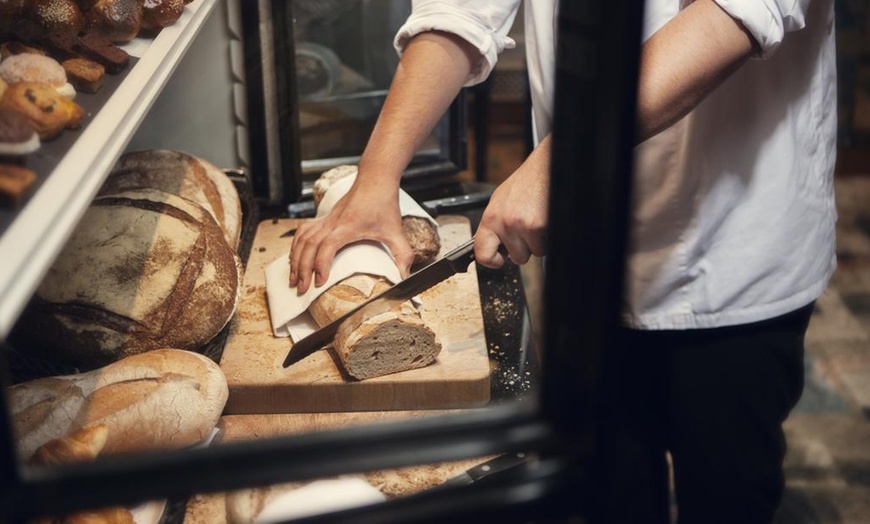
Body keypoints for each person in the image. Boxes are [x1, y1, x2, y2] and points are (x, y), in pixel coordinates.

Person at [289, 1, 837, 522]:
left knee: (728, 494)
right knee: (606, 492)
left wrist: (562, 161)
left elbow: (736, 13)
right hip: (588, 266)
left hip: (733, 250)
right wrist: (377, 174)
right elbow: (460, 11)